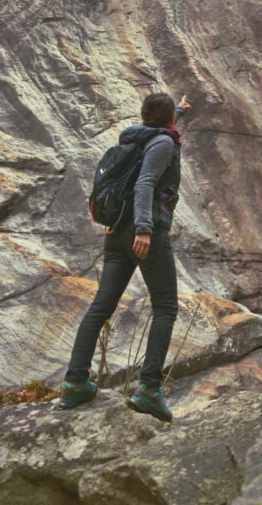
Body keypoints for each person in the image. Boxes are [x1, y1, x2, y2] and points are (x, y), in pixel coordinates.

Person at [60, 91, 191, 422]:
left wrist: (180, 109)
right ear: (167, 121)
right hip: (143, 234)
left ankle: (75, 382)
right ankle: (149, 389)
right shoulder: (163, 143)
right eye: (173, 114)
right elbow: (145, 184)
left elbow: (160, 124)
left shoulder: (138, 136)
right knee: (165, 308)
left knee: (101, 306)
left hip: (116, 233)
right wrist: (145, 229)